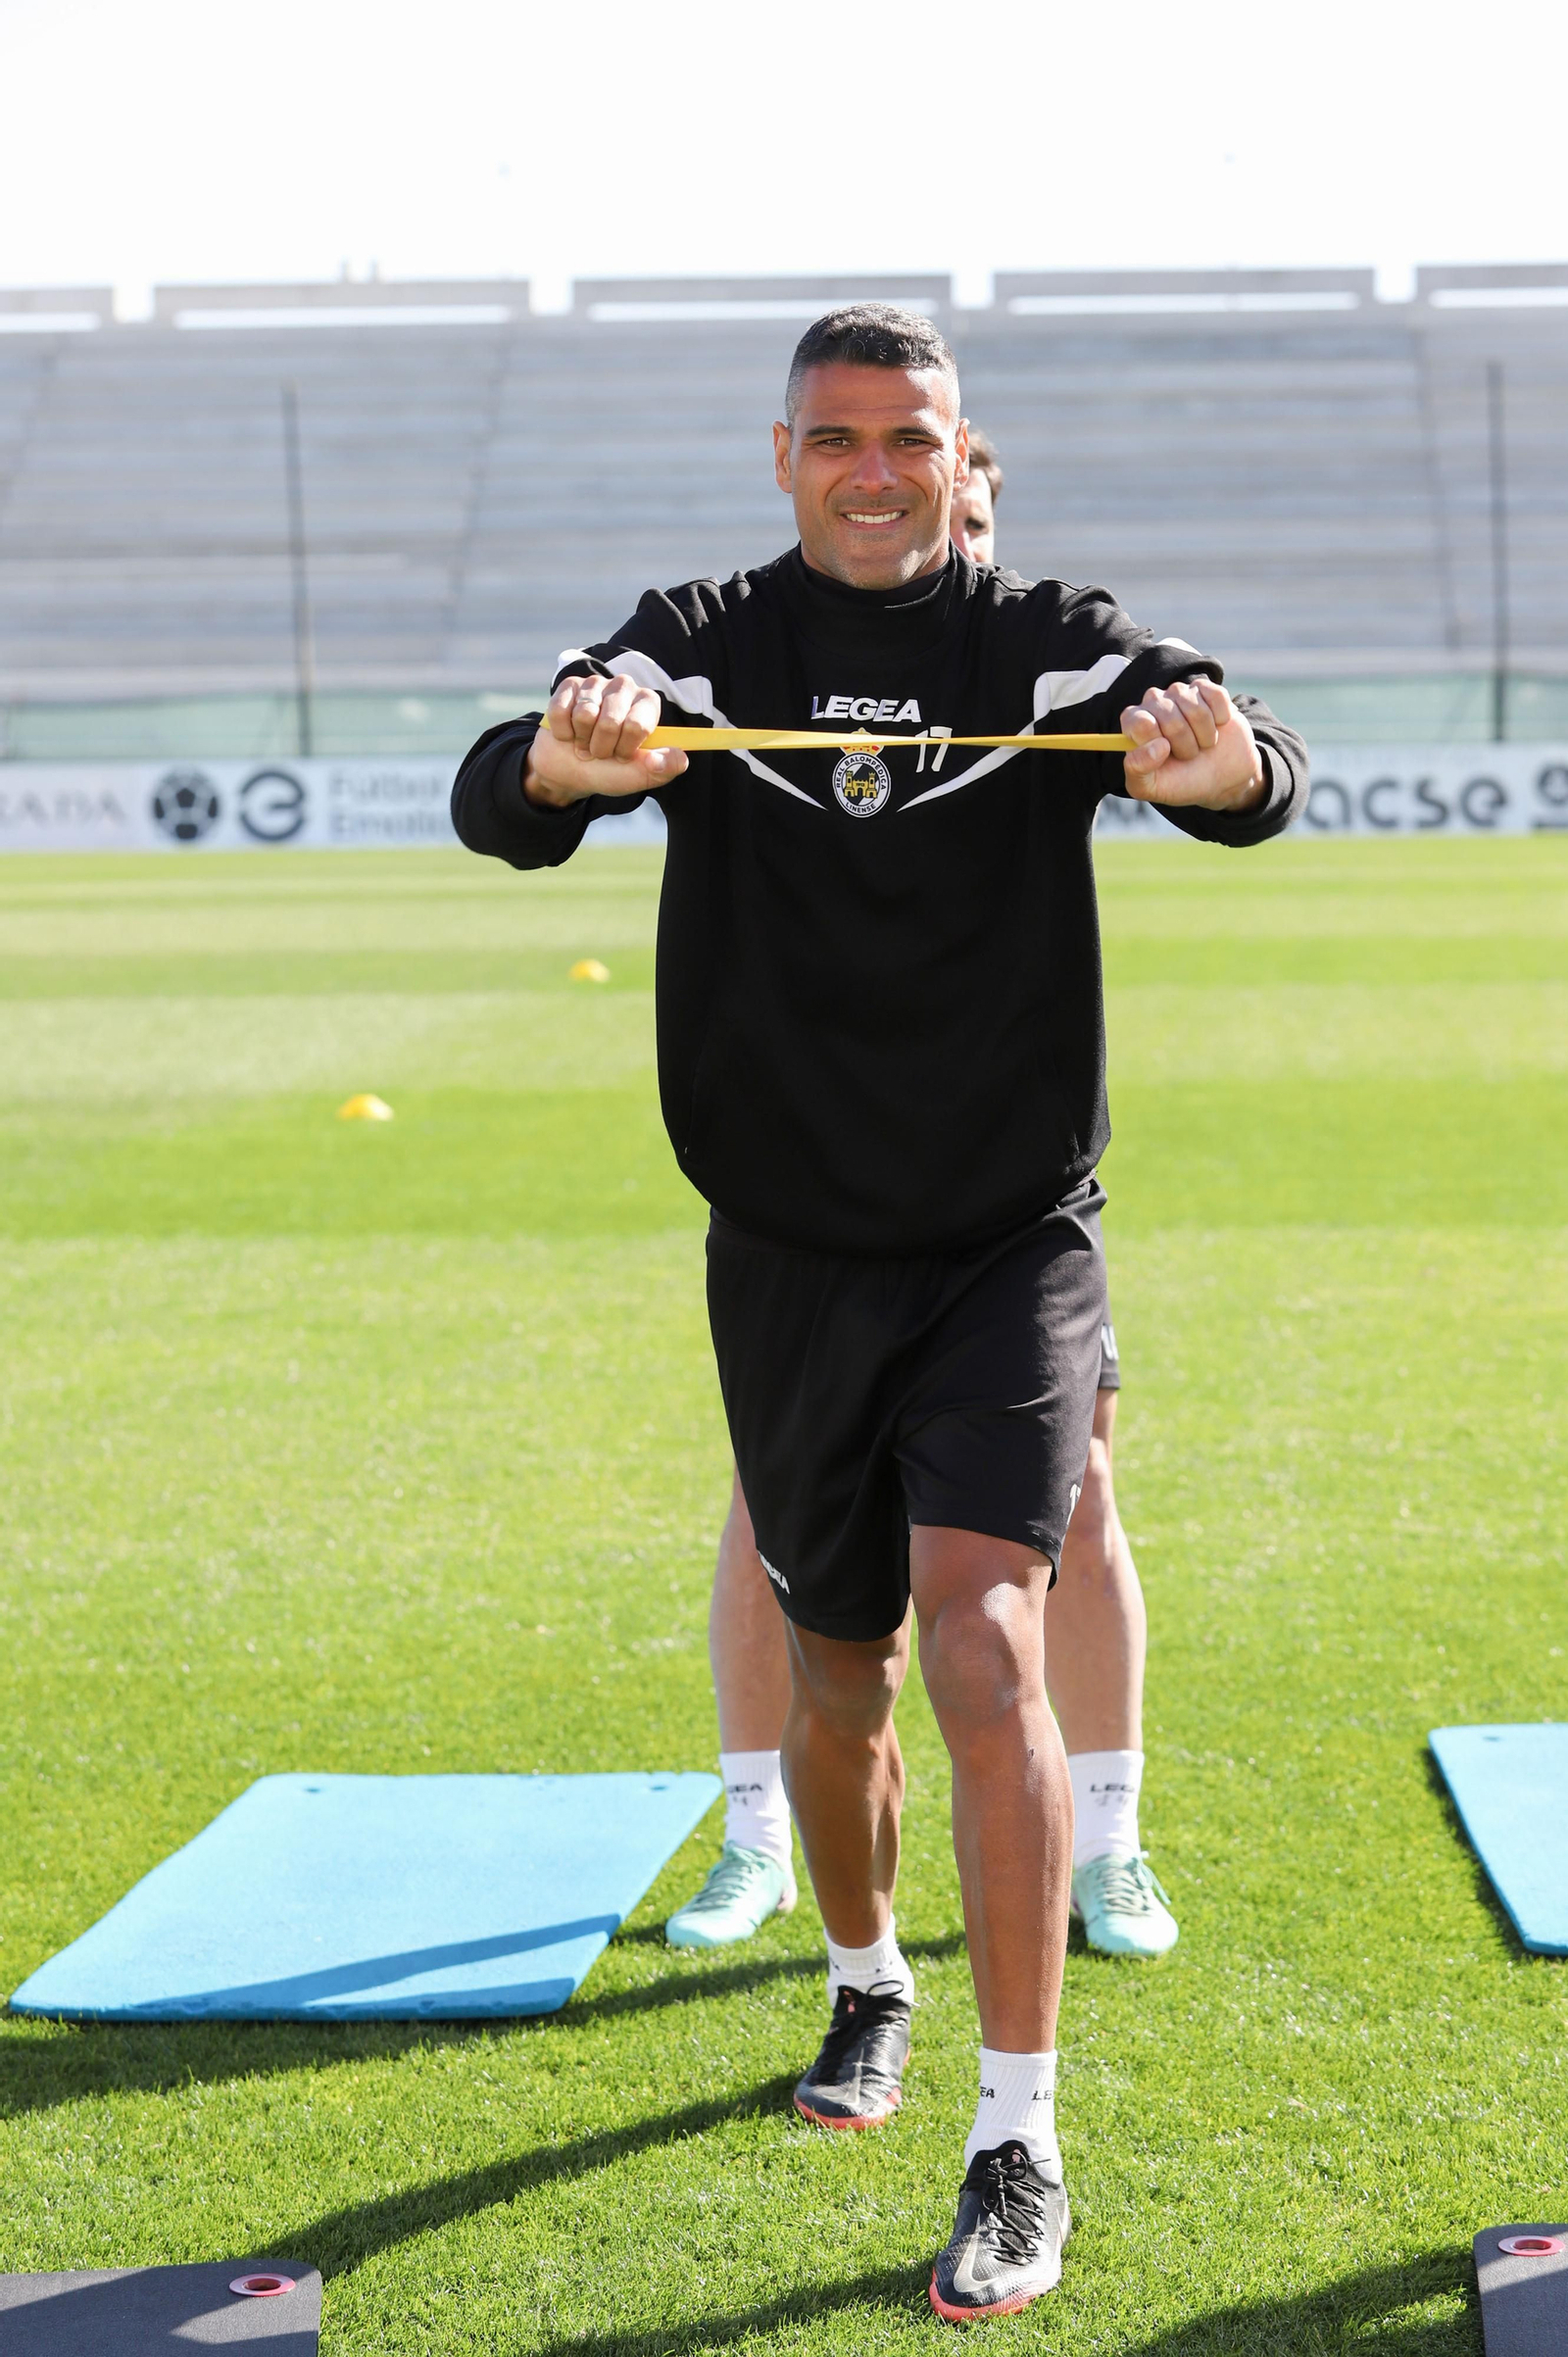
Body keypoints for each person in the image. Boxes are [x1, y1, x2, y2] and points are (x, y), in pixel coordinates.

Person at [452, 305, 1305, 2320]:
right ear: (781, 457)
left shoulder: (1039, 641)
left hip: (1012, 1237)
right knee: (836, 1682)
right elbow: (518, 780)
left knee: (978, 1631)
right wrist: (558, 764)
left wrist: (1225, 759)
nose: (870, 467)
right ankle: (862, 1980)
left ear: (952, 450)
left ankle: (1018, 2135)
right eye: (834, 437)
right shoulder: (696, 635)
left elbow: (1220, 740)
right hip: (784, 1255)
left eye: (905, 437)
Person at [662, 421, 1178, 1970]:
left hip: (1007, 1210)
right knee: (780, 1524)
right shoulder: (768, 667)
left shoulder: (1032, 678)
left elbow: (1186, 740)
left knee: (1071, 1502)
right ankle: (760, 1829)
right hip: (811, 1223)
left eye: (962, 489)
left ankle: (1110, 1837)